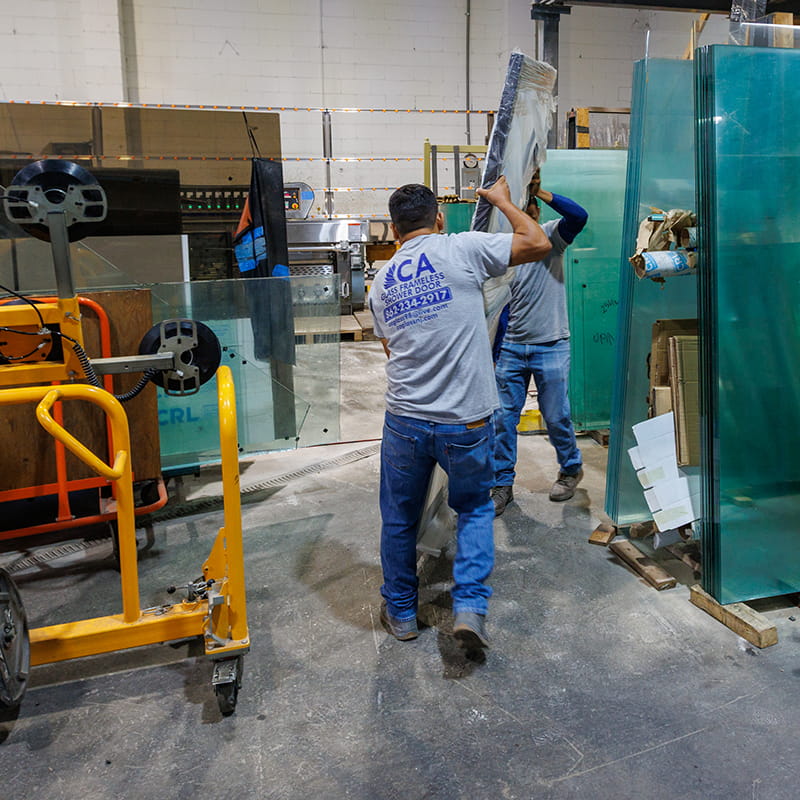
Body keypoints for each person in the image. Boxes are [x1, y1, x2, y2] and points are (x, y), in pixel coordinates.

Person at [369, 178, 551, 649]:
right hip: (466, 421)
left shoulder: (382, 281)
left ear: (394, 229)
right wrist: (501, 202)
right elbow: (538, 241)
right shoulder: (462, 249)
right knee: (472, 510)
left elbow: (393, 350)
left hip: (406, 420)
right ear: (439, 218)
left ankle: (404, 614)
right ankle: (469, 608)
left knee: (399, 518)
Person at [491, 173, 589, 517]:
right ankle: (502, 483)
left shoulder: (551, 236)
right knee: (503, 418)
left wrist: (542, 192)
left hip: (551, 344)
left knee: (556, 415)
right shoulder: (504, 247)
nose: (528, 209)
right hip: (514, 348)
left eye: (530, 205)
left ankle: (570, 468)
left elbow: (579, 216)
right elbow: (499, 303)